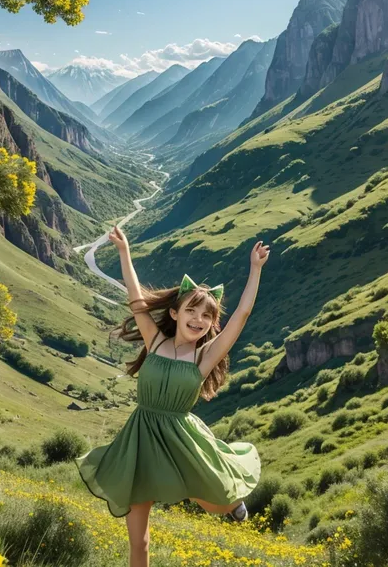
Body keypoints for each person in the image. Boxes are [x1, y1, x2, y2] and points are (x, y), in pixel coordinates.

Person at [74, 226, 270, 567]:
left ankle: (233, 505)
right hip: (140, 438)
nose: (198, 319)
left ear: (211, 325)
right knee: (139, 541)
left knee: (215, 502)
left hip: (181, 440)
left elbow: (241, 316)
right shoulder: (156, 342)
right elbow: (137, 300)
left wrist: (255, 270)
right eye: (192, 311)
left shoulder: (203, 357)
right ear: (176, 314)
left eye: (207, 315)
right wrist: (124, 251)